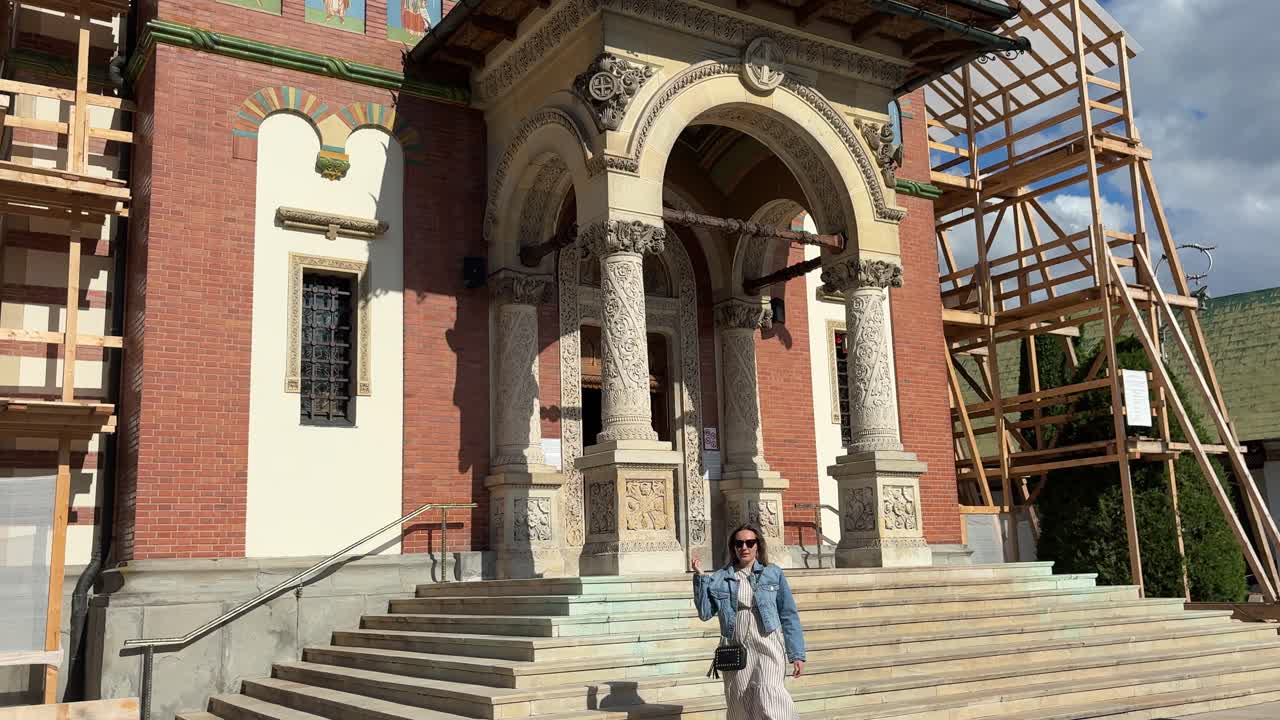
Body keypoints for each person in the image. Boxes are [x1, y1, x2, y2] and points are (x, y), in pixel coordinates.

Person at [691, 523, 805, 720]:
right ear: (733, 547)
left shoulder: (772, 573)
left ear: (758, 545)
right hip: (736, 645)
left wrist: (797, 654)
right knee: (739, 701)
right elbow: (705, 613)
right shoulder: (720, 578)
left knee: (773, 698)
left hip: (768, 642)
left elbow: (788, 614)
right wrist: (701, 578)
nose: (744, 547)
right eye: (739, 543)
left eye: (750, 543)